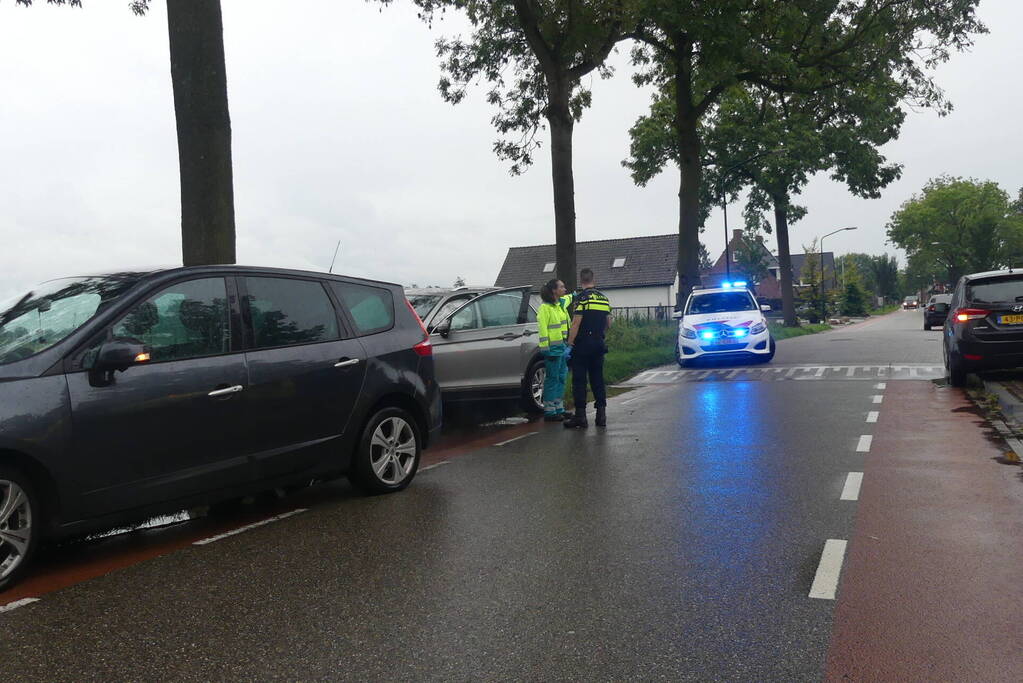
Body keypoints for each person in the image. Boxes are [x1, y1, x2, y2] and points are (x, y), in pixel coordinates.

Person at [564, 268, 612, 429]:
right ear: (593, 279)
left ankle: (581, 417)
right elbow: (609, 323)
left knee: (579, 380)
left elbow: (576, 323)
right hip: (598, 343)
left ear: (581, 280)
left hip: (583, 344)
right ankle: (601, 416)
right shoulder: (604, 298)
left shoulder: (581, 298)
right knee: (597, 378)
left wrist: (570, 344)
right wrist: (600, 334)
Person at [537, 279, 571, 421]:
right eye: (562, 287)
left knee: (561, 377)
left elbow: (569, 297)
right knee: (552, 379)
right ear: (554, 290)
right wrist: (545, 348)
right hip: (552, 349)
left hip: (561, 347)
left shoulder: (559, 305)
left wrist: (576, 295)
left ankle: (559, 408)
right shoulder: (545, 308)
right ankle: (550, 411)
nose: (565, 289)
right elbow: (543, 329)